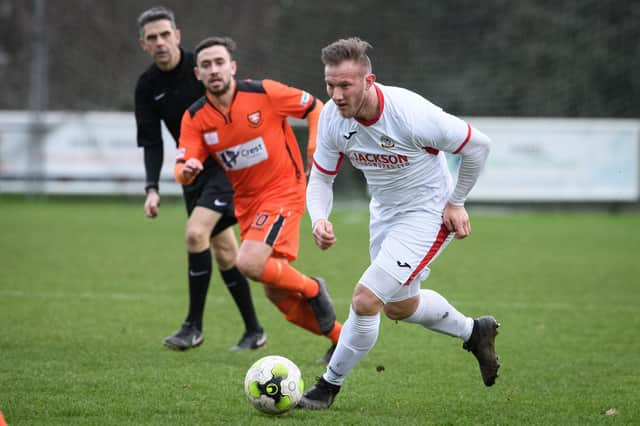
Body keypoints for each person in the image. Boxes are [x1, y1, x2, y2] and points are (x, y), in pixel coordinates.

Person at [298, 37, 500, 409]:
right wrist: (320, 218)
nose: (337, 95)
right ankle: (475, 331)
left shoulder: (409, 113)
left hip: (428, 214)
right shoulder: (331, 117)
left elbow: (479, 146)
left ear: (368, 81)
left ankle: (326, 388)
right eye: (330, 85)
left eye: (345, 85)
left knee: (365, 299)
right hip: (385, 215)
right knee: (399, 308)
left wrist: (456, 202)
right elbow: (322, 179)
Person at [174, 36, 343, 362]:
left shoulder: (264, 92)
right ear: (197, 74)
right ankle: (342, 337)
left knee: (249, 263)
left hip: (284, 190)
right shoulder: (195, 118)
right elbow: (182, 166)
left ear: (232, 67)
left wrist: (314, 148)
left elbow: (315, 107)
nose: (214, 70)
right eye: (206, 65)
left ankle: (312, 289)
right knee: (275, 291)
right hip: (247, 203)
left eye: (219, 62)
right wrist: (188, 171)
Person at [134, 7, 266, 351]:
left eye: (165, 34)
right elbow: (150, 141)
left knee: (196, 233)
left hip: (225, 167)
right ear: (143, 44)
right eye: (152, 38)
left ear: (177, 36)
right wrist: (152, 188)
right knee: (225, 251)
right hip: (191, 173)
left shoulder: (203, 67)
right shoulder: (147, 86)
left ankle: (192, 326)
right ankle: (254, 330)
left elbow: (237, 103)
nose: (160, 42)